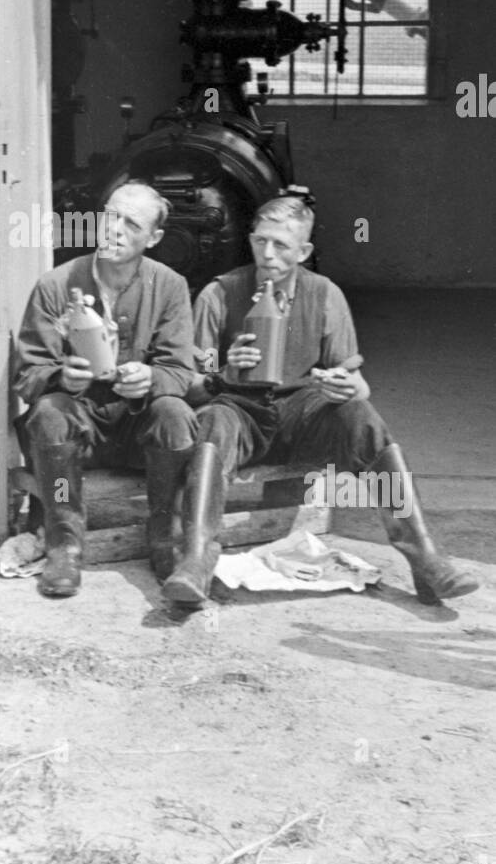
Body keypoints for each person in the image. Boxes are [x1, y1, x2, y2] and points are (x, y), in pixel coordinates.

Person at [179, 191, 479, 608]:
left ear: (304, 251)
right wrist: (222, 372)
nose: (268, 253)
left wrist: (345, 385)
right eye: (260, 240)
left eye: (281, 245)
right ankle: (196, 560)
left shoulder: (325, 295)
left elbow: (357, 381)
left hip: (303, 411)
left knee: (363, 417)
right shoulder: (218, 295)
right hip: (238, 411)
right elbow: (192, 383)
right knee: (212, 422)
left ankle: (425, 558)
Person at [13, 182, 202, 597]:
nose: (113, 229)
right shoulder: (57, 284)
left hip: (138, 430)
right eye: (109, 215)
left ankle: (163, 536)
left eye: (130, 223)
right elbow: (27, 373)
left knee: (175, 413)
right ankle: (64, 546)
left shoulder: (169, 286)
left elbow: (180, 370)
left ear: (153, 239)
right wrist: (63, 376)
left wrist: (150, 379)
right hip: (79, 429)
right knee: (47, 412)